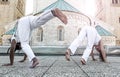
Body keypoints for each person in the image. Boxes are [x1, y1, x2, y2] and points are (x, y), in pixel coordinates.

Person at [3, 8, 67, 68]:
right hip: (28, 20)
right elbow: (27, 50)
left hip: (22, 22)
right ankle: (52, 12)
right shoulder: (23, 36)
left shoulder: (14, 38)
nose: (21, 48)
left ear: (17, 45)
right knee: (39, 20)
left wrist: (11, 63)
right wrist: (24, 59)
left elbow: (11, 49)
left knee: (24, 44)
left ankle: (35, 60)